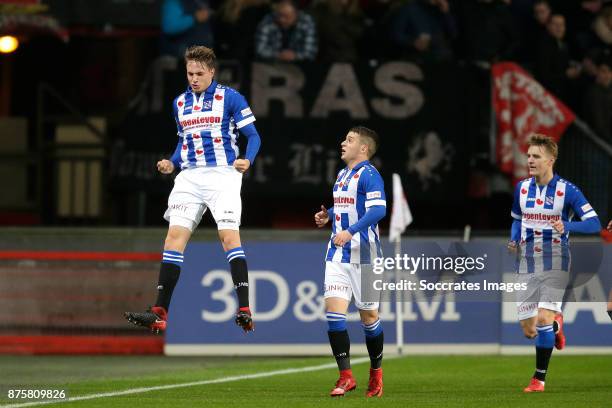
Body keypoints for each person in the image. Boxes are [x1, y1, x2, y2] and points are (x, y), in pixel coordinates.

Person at [125, 45, 262, 334]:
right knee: (173, 238)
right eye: (190, 73)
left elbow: (253, 135)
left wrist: (247, 160)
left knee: (228, 238)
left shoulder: (231, 98)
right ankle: (160, 312)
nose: (194, 78)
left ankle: (244, 308)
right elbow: (184, 143)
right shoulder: (179, 103)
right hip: (189, 177)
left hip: (223, 175)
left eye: (200, 73)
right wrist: (170, 162)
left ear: (212, 71)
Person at [507, 134, 601, 393]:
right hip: (526, 261)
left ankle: (539, 379)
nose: (530, 160)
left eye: (536, 156)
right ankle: (556, 325)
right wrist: (514, 238)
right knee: (529, 328)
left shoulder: (568, 191)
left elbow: (594, 222)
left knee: (542, 319)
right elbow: (517, 218)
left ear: (551, 160)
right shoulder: (521, 188)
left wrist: (567, 225)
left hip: (556, 259)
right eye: (528, 155)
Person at [313, 126, 386, 398]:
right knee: (334, 315)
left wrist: (351, 231)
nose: (343, 143)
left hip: (366, 256)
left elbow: (379, 209)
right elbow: (346, 206)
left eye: (350, 140)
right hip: (337, 254)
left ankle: (375, 375)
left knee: (369, 317)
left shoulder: (370, 175)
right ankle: (345, 376)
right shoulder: (343, 175)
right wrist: (329, 216)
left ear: (363, 148)